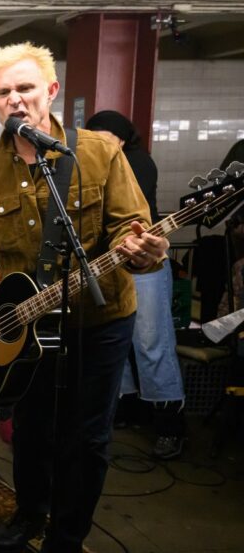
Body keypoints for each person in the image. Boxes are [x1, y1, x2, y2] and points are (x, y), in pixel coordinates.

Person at [0, 42, 169, 553]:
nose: (15, 100)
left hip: (100, 320)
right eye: (3, 92)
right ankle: (29, 511)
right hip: (27, 332)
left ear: (51, 92)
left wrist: (144, 248)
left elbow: (135, 228)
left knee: (87, 440)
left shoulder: (99, 153)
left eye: (25, 88)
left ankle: (66, 536)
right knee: (32, 430)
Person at [85, 110, 187, 459]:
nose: (99, 144)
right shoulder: (95, 161)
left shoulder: (137, 163)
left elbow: (126, 219)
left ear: (123, 139)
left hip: (144, 267)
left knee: (151, 343)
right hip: (110, 267)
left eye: (106, 137)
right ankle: (126, 412)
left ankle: (170, 426)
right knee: (117, 344)